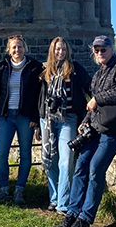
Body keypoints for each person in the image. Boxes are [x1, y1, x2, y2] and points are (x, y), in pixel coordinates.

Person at [54, 35, 116, 227]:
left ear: (112, 49)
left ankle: (85, 219)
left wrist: (97, 98)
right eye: (96, 50)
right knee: (81, 165)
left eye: (103, 49)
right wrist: (86, 120)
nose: (100, 53)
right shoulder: (98, 74)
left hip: (114, 129)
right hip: (96, 127)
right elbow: (92, 105)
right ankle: (72, 213)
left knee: (96, 168)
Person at [39, 37, 92, 215]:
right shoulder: (45, 71)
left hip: (68, 119)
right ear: (52, 51)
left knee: (66, 160)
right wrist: (36, 123)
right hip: (47, 120)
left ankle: (63, 203)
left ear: (67, 51)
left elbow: (90, 88)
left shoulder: (75, 68)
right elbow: (38, 99)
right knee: (50, 161)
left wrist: (95, 103)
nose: (60, 52)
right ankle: (54, 198)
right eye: (57, 49)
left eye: (63, 49)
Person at [0, 34, 43, 204]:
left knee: (25, 154)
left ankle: (19, 190)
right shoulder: (3, 67)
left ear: (24, 48)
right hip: (6, 116)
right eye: (14, 47)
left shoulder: (34, 67)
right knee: (1, 154)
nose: (17, 50)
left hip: (25, 117)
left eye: (20, 46)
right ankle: (3, 189)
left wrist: (35, 117)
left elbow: (39, 96)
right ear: (9, 50)